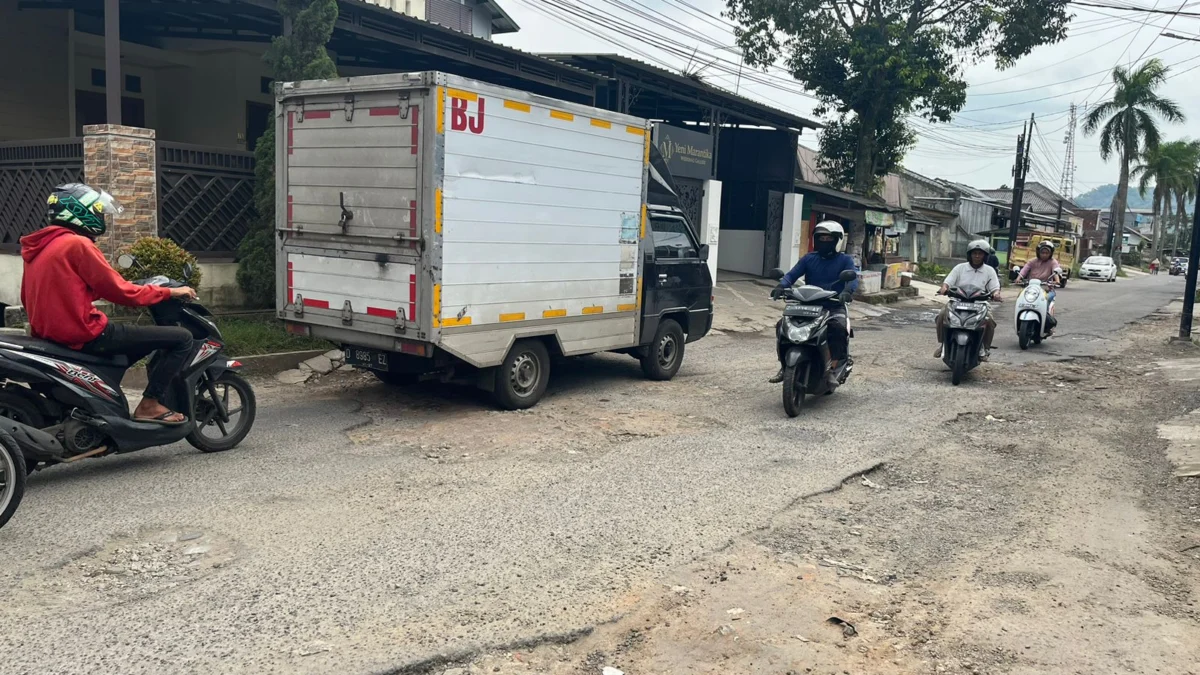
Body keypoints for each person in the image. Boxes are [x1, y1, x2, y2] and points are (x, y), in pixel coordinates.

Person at [20, 183, 198, 425]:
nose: (101, 216)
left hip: (50, 336)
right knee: (181, 338)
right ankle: (150, 404)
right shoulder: (77, 244)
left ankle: (106, 397)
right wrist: (169, 292)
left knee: (129, 348)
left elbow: (46, 293)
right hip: (85, 334)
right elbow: (120, 292)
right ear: (80, 212)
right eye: (99, 211)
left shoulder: (40, 247)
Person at [769, 221, 859, 384]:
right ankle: (784, 366)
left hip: (833, 304)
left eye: (828, 238)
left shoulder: (844, 260)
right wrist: (781, 286)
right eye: (821, 238)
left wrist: (847, 292)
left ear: (837, 240)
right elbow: (791, 275)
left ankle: (833, 367)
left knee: (837, 330)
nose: (824, 241)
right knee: (782, 326)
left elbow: (853, 278)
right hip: (808, 304)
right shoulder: (809, 259)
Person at [934, 239, 1002, 358]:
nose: (976, 256)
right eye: (974, 253)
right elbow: (948, 282)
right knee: (941, 315)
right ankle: (943, 343)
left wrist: (996, 294)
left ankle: (984, 348)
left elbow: (995, 288)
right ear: (969, 254)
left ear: (985, 256)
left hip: (980, 303)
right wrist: (944, 288)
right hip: (958, 301)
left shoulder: (989, 271)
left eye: (980, 253)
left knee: (989, 321)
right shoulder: (960, 268)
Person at [1015, 241, 1062, 333]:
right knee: (1020, 296)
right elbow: (1025, 269)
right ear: (1038, 252)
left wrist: (1057, 281)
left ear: (1050, 253)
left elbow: (1055, 271)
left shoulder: (1053, 262)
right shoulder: (1033, 261)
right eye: (1042, 252)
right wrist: (1018, 278)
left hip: (1047, 289)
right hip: (1031, 289)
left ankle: (1048, 322)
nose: (1044, 255)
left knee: (1047, 299)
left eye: (1047, 253)